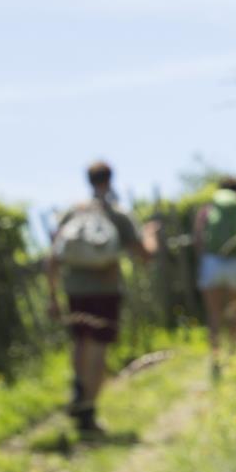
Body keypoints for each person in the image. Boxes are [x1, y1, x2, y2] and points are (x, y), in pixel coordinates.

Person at [46, 160, 156, 438]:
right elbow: (143, 255)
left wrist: (52, 296)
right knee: (98, 346)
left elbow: (54, 255)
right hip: (105, 288)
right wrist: (151, 236)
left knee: (81, 341)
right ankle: (88, 410)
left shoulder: (72, 211)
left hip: (74, 288)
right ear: (111, 179)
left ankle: (78, 386)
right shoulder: (118, 214)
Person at [193, 176, 236, 382]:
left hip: (212, 262)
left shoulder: (208, 209)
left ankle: (215, 356)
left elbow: (198, 237)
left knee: (214, 314)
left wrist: (204, 260)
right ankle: (234, 355)